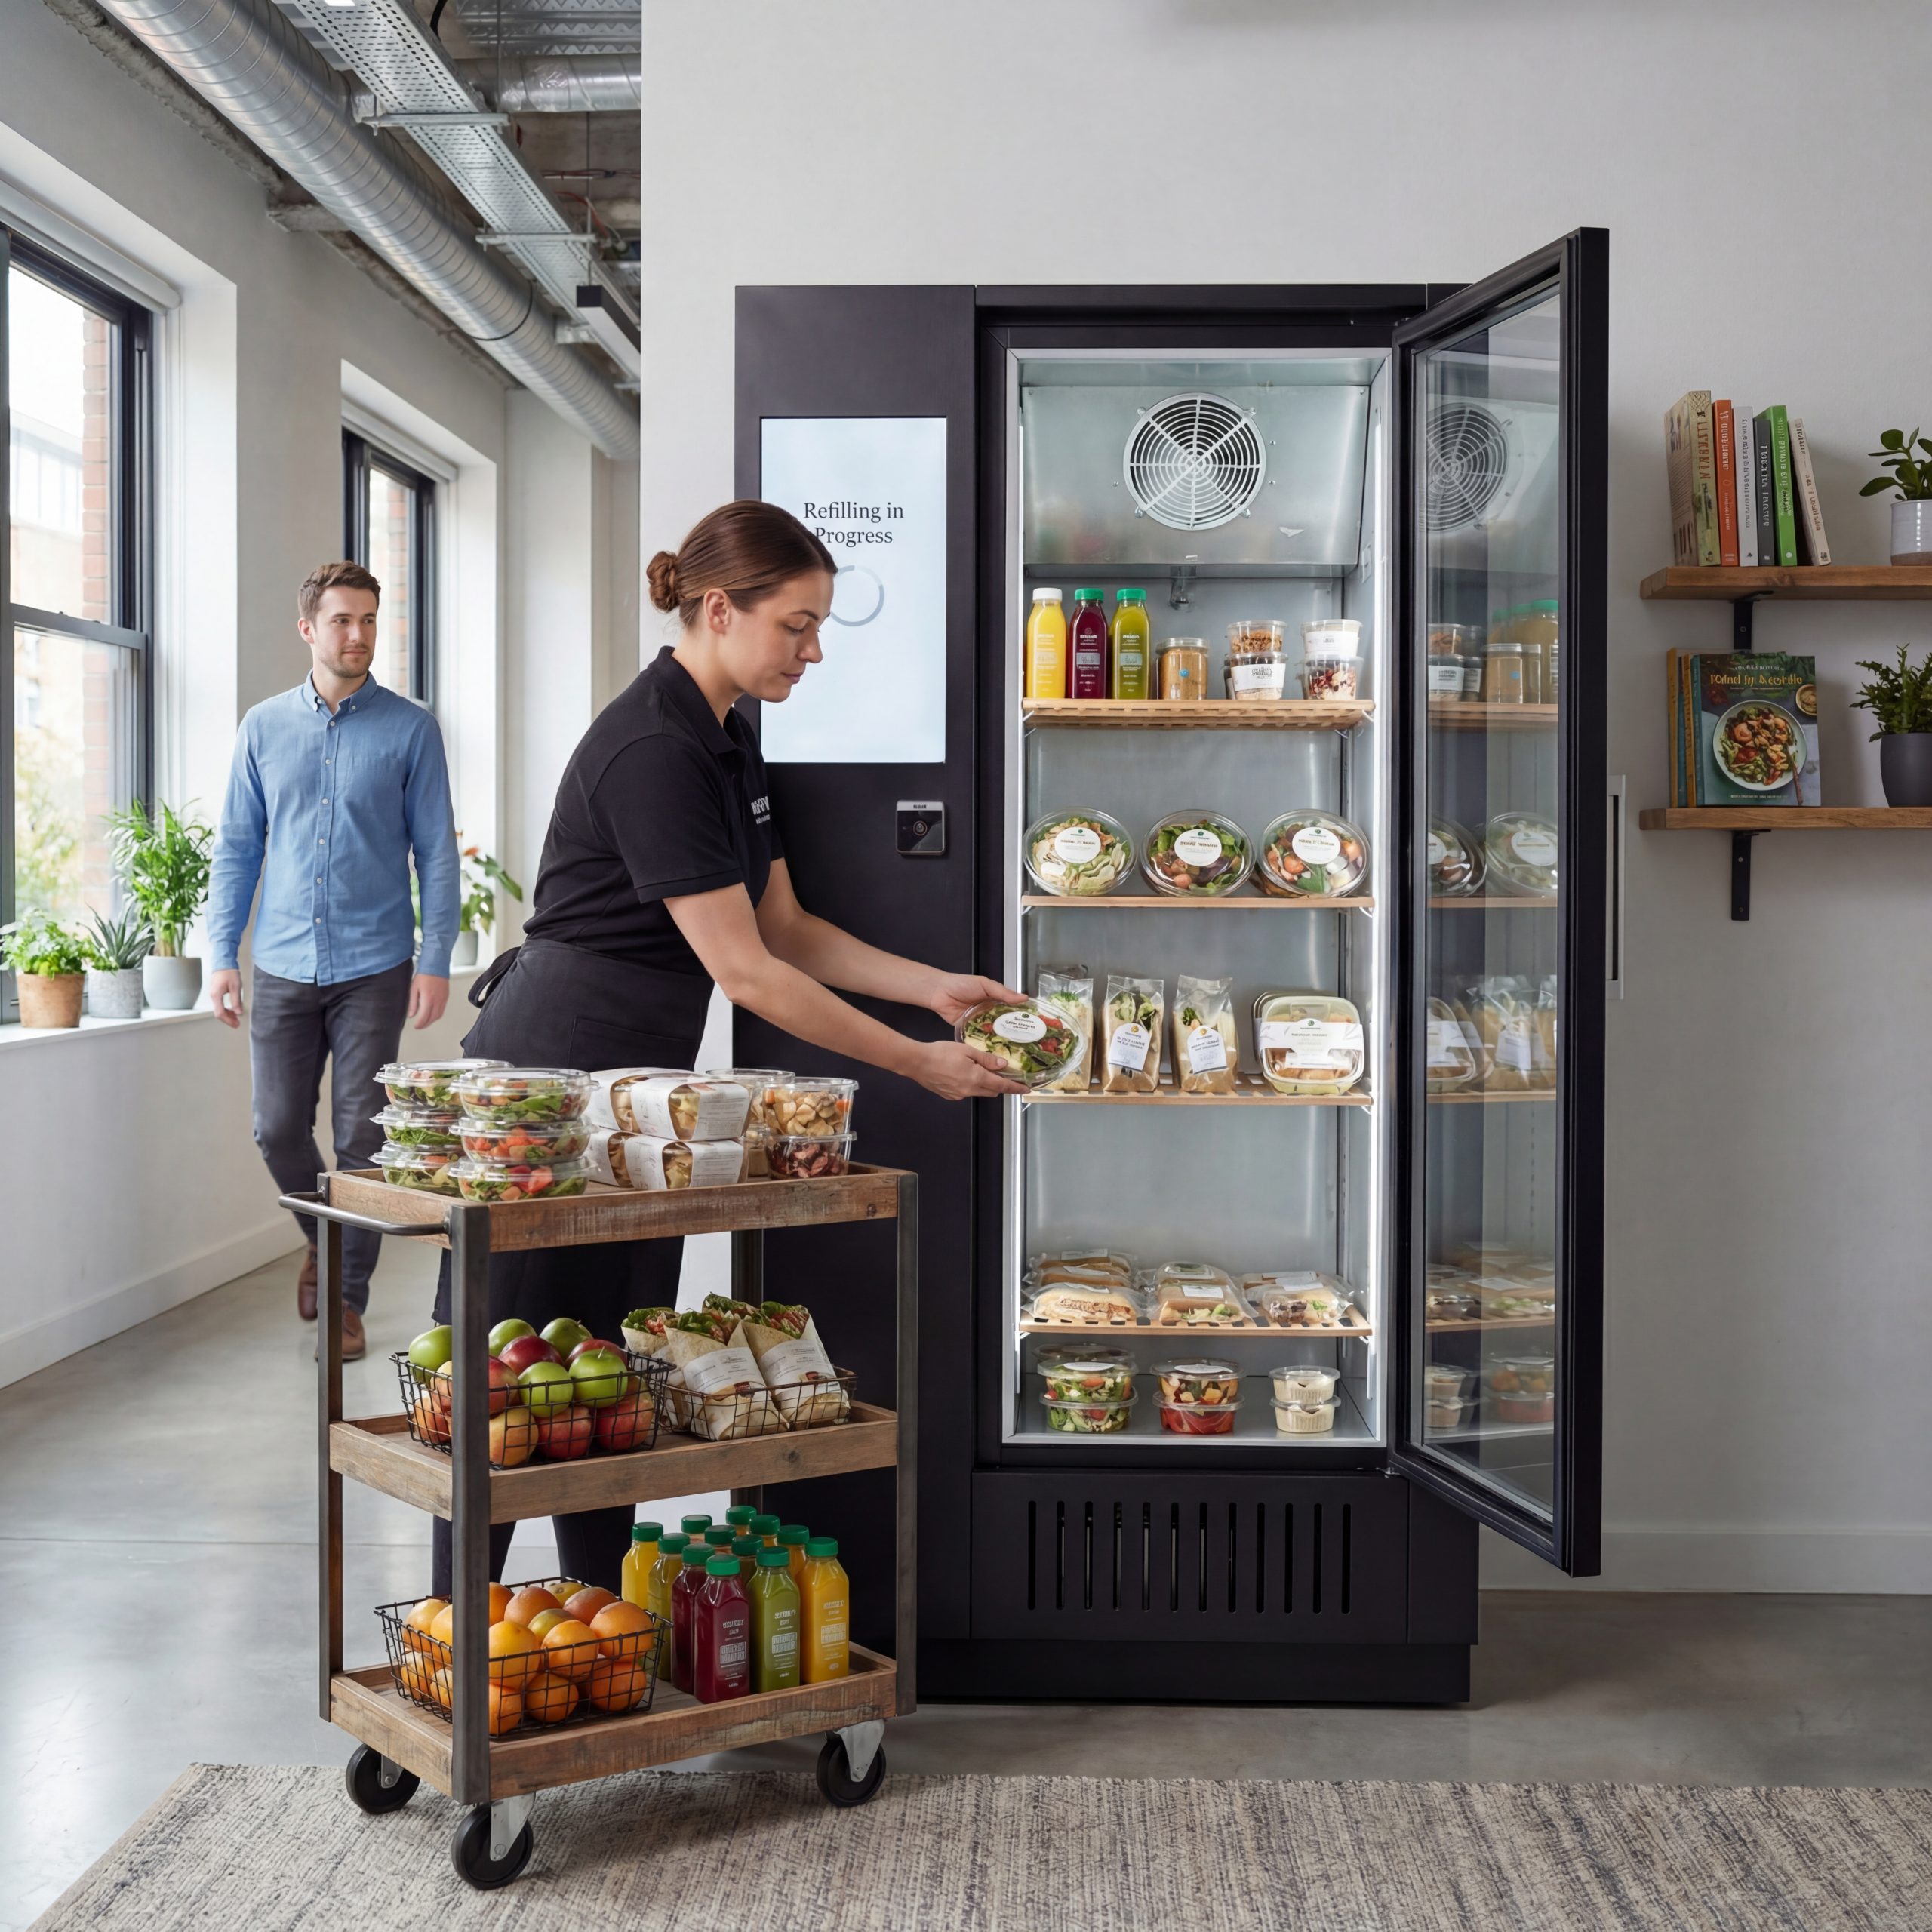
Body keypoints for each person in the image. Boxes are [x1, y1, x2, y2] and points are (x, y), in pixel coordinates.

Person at [428, 500, 1023, 1598]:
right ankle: (463, 1640)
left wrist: (936, 989)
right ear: (717, 609)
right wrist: (918, 1064)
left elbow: (784, 928)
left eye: (819, 624)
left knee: (606, 1370)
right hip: (550, 1074)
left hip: (637, 1090)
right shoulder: (655, 746)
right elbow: (747, 975)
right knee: (505, 1381)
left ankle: (595, 1627)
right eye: (797, 624)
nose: (814, 648)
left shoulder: (727, 730)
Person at [208, 561, 460, 1361]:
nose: (358, 635)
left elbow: (438, 852)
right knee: (275, 1124)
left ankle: (347, 1301)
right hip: (280, 960)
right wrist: (220, 954)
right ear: (308, 628)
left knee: (361, 1135)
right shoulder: (262, 727)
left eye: (369, 620)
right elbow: (237, 850)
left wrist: (435, 957)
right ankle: (326, 1235)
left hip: (374, 964)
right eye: (342, 619)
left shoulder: (411, 728)